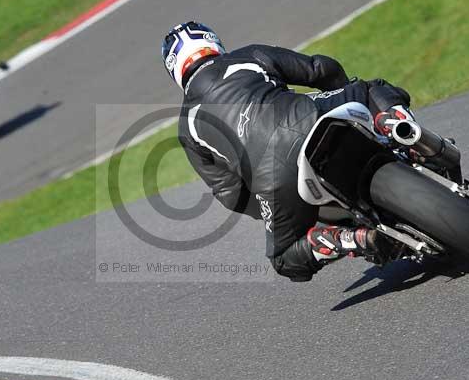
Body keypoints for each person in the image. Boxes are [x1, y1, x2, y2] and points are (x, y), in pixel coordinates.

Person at [163, 21, 411, 282]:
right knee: (371, 89)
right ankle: (400, 127)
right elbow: (319, 69)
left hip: (270, 178)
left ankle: (343, 238)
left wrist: (274, 206)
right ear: (211, 41)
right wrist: (342, 90)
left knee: (283, 258)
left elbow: (230, 193)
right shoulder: (247, 56)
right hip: (306, 116)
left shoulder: (186, 127)